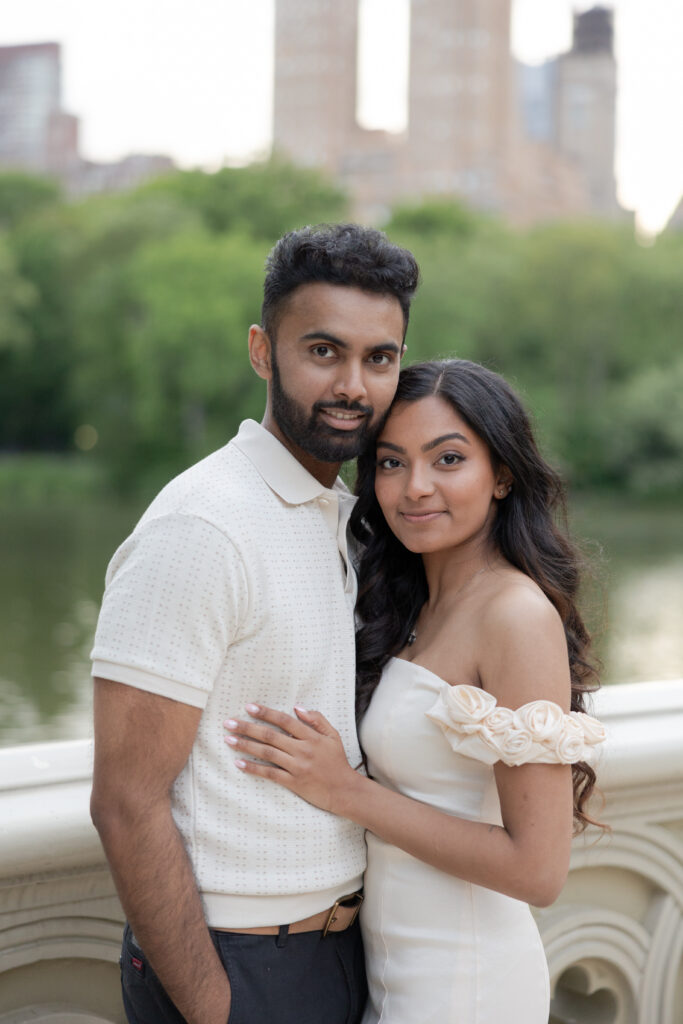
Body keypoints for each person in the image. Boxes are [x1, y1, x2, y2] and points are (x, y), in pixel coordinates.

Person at [89, 223, 419, 1024]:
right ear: (262, 351)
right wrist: (213, 1007)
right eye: (322, 351)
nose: (353, 384)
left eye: (379, 358)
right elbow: (126, 799)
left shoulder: (345, 517)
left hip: (343, 949)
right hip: (236, 961)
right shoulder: (203, 527)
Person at [224, 358, 607, 1024]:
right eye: (391, 463)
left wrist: (345, 791)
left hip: (465, 980)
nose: (414, 489)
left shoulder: (513, 615)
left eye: (448, 459)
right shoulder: (412, 604)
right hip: (393, 969)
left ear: (502, 476)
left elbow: (537, 870)